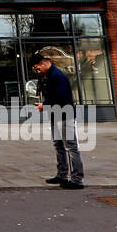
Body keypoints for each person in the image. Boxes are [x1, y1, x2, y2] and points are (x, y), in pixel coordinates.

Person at [31, 53, 84, 189]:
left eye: (37, 68)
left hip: (65, 115)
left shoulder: (57, 76)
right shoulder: (48, 76)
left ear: (44, 63)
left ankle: (77, 180)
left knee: (71, 147)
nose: (37, 71)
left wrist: (45, 105)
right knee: (59, 146)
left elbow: (60, 97)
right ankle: (62, 175)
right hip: (56, 115)